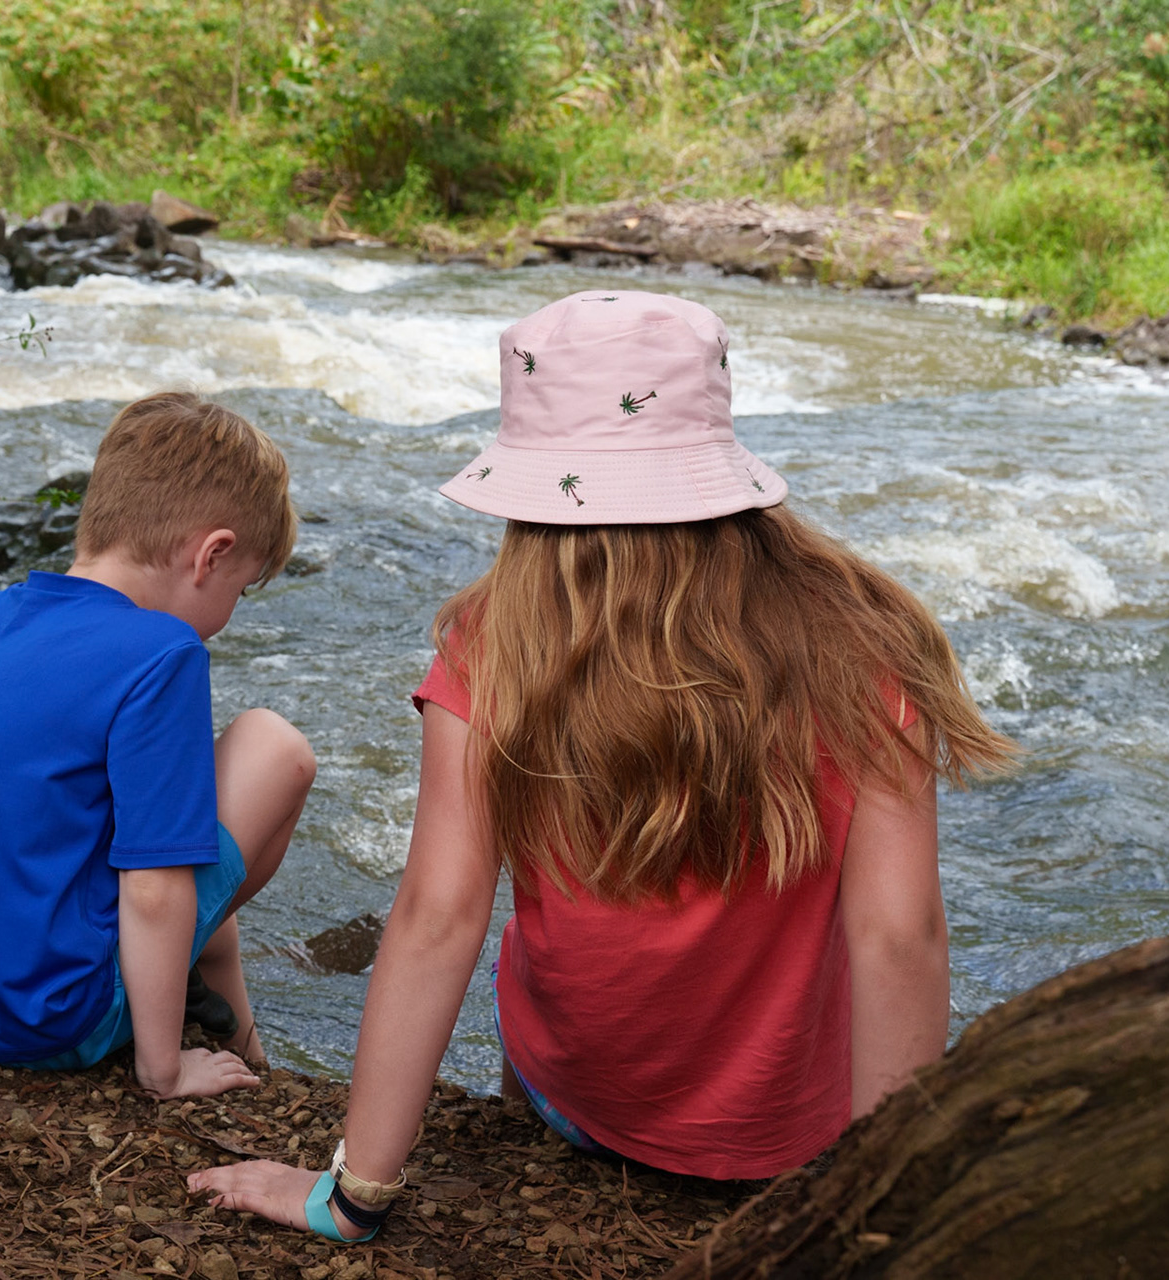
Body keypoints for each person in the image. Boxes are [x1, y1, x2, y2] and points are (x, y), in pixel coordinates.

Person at [189, 291, 1017, 1239]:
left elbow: (438, 916)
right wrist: (884, 1213)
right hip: (796, 1135)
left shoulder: (491, 641)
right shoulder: (868, 636)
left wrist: (353, 1193)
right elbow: (899, 934)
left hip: (572, 1105)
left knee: (524, 982)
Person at [0, 391, 316, 1100]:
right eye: (242, 589)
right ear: (212, 553)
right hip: (52, 1022)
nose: (228, 615)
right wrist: (163, 1072)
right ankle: (183, 1025)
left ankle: (224, 1010)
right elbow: (156, 888)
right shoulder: (162, 652)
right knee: (274, 747)